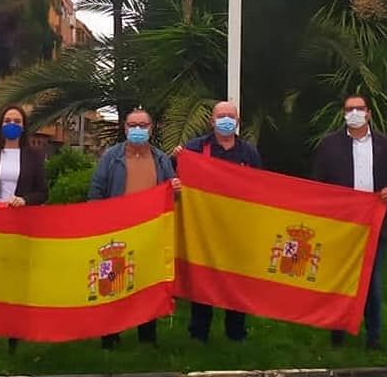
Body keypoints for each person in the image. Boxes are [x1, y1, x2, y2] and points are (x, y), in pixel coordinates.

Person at [88, 108, 178, 348]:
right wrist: (97, 223)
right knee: (112, 283)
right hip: (116, 231)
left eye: (143, 125)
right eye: (133, 125)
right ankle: (110, 335)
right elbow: (96, 191)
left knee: (147, 284)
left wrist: (176, 191)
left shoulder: (161, 160)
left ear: (151, 128)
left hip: (149, 232)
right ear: (125, 128)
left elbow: (172, 195)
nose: (138, 130)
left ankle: (147, 337)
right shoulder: (111, 157)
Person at [173, 100, 261, 344]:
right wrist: (176, 160)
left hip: (237, 228)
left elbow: (260, 188)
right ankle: (199, 332)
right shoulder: (195, 148)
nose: (225, 120)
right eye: (221, 116)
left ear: (237, 122)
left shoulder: (249, 153)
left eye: (230, 116)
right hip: (204, 227)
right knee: (203, 279)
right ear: (212, 122)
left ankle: (236, 332)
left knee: (236, 280)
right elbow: (172, 176)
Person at [312, 94, 387, 350]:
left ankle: (373, 336)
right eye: (349, 109)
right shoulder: (330, 145)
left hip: (375, 224)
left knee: (371, 282)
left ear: (368, 113)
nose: (354, 113)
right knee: (339, 279)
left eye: (359, 108)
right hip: (341, 225)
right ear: (343, 114)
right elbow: (317, 184)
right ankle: (338, 332)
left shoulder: (384, 145)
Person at [0, 104, 48, 352]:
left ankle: (14, 337)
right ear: (0, 124)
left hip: (21, 225)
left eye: (17, 121)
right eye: (8, 120)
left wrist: (25, 200)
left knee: (16, 280)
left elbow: (42, 192)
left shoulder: (34, 155)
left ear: (24, 126)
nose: (12, 125)